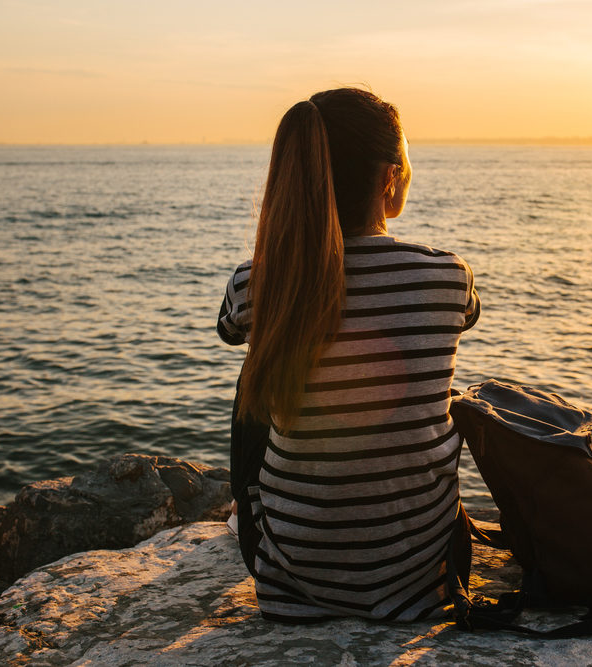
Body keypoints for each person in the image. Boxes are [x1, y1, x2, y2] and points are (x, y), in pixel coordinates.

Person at [216, 88, 480, 623]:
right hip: (419, 578)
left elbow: (228, 330)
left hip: (295, 581)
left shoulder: (256, 283)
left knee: (260, 366)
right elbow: (465, 317)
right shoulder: (448, 275)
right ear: (389, 177)